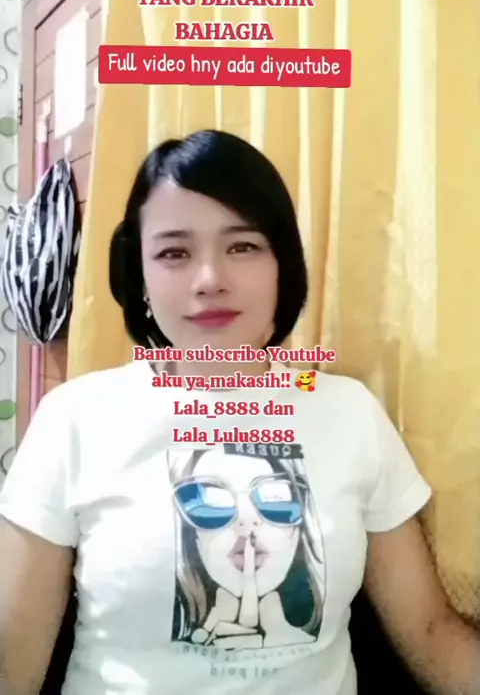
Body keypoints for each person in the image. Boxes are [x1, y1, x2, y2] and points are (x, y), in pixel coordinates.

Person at [0, 129, 477, 695]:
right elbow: (12, 665)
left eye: (243, 247)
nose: (210, 281)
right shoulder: (74, 420)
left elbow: (429, 632)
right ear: (141, 277)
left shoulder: (350, 414)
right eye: (174, 253)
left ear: (282, 267)